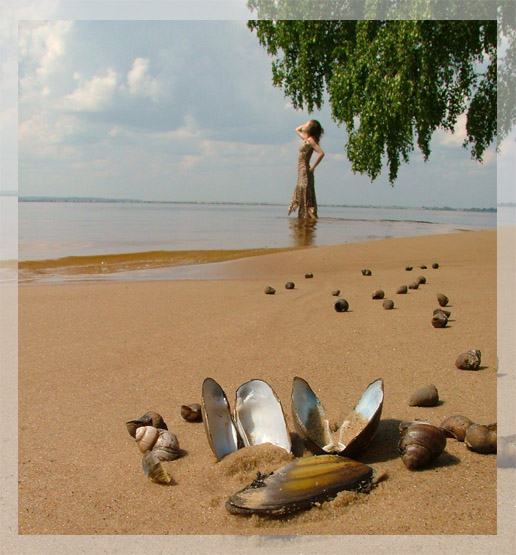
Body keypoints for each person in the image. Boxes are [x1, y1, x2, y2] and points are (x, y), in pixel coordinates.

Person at [288, 119, 325, 219]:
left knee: (306, 198)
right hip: (301, 171)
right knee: (303, 197)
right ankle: (308, 224)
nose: (304, 125)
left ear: (311, 128)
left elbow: (321, 153)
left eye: (307, 124)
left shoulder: (310, 140)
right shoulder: (307, 138)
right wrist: (305, 126)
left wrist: (312, 167)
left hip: (305, 171)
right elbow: (297, 129)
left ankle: (313, 220)